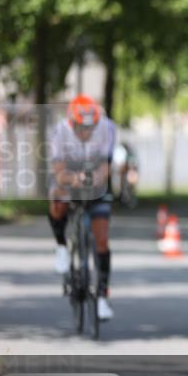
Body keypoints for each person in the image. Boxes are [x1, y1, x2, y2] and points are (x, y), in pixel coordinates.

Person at [48, 94, 118, 321]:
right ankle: (61, 246)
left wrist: (97, 178)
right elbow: (59, 172)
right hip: (69, 175)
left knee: (102, 240)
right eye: (82, 127)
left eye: (91, 127)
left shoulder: (107, 128)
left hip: (95, 176)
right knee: (57, 199)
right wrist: (74, 179)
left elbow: (106, 166)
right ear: (72, 122)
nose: (87, 132)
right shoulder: (60, 132)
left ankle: (102, 297)